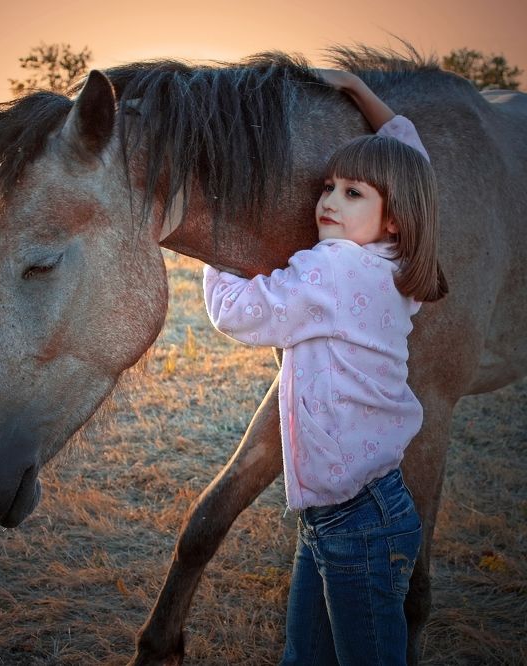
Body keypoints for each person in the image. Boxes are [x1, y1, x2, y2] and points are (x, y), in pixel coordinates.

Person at [203, 68, 446, 665]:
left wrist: (214, 250)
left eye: (353, 193)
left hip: (353, 520)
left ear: (393, 217)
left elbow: (238, 313)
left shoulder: (333, 267)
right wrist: (363, 96)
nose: (329, 201)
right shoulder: (398, 262)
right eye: (330, 186)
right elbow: (416, 164)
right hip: (361, 507)